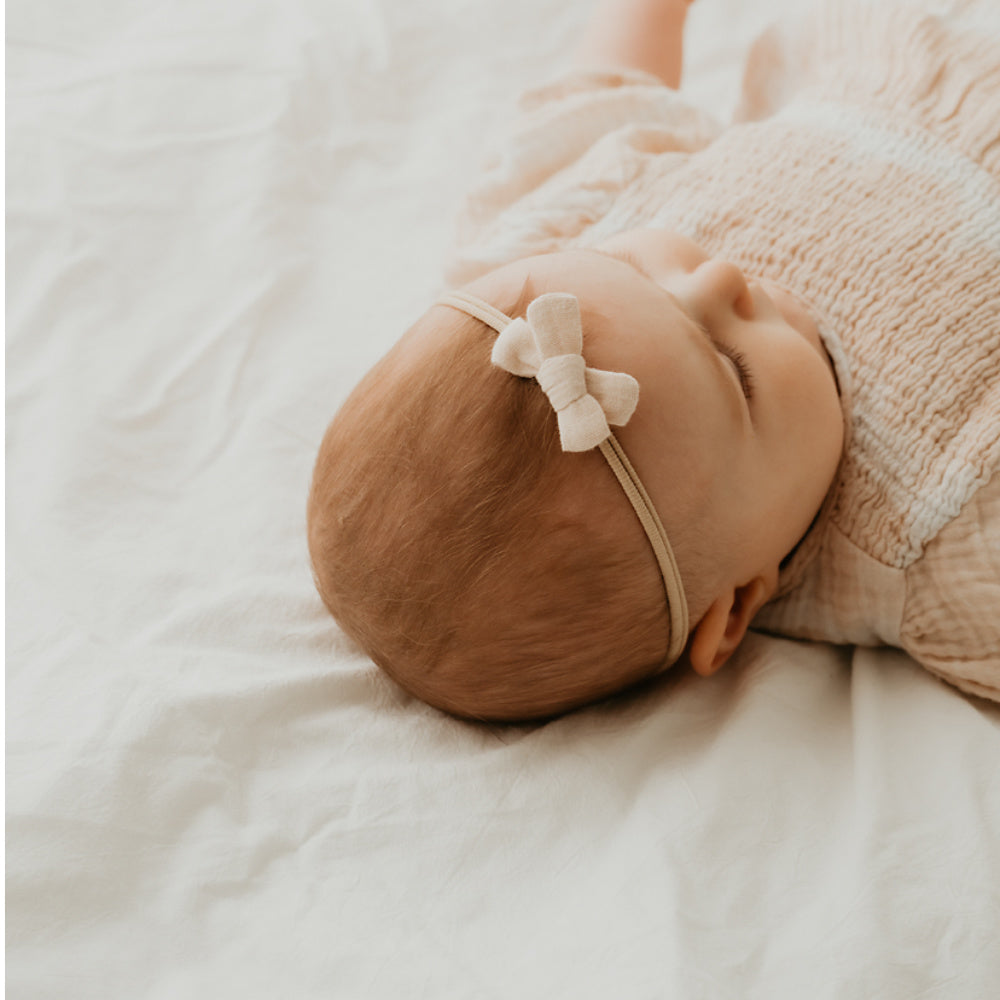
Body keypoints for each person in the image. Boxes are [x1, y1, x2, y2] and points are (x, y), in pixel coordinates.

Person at [307, 0, 1000, 721]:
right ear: (729, 613)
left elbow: (606, 98)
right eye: (738, 371)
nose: (720, 279)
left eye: (631, 263)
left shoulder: (545, 259)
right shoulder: (925, 540)